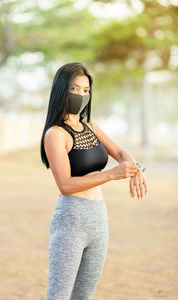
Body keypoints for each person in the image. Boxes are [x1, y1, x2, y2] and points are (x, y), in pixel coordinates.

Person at [40, 62, 148, 300]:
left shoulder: (89, 126)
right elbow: (65, 185)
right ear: (62, 90)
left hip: (99, 218)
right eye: (75, 88)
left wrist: (135, 168)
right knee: (58, 295)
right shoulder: (55, 134)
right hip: (72, 220)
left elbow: (120, 153)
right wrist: (110, 175)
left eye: (86, 90)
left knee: (83, 296)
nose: (81, 95)